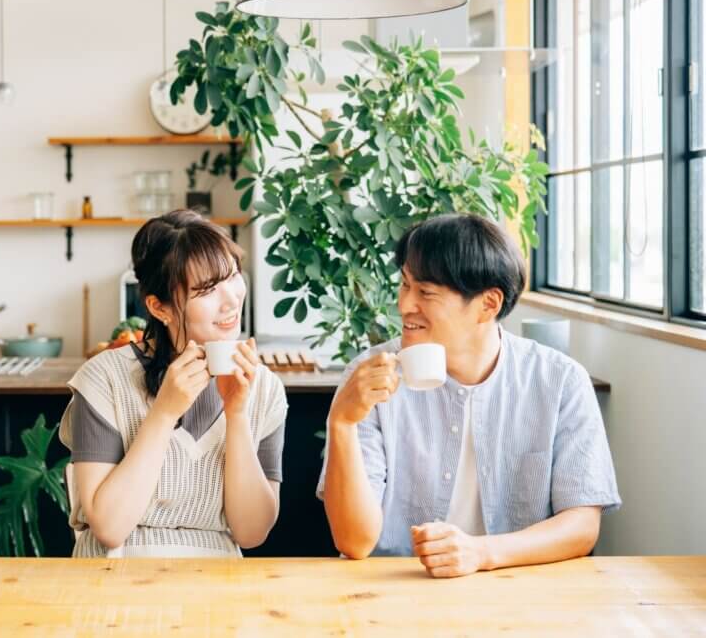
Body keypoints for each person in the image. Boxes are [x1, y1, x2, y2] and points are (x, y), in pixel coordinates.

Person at [318, 213, 621, 577]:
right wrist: (342, 422)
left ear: (488, 304)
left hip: (517, 588)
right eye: (404, 285)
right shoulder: (368, 377)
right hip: (393, 587)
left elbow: (582, 526)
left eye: (425, 292)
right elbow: (354, 541)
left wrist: (481, 553)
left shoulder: (560, 381)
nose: (404, 305)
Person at [60, 209, 288, 557]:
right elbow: (109, 528)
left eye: (232, 276)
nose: (231, 300)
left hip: (215, 580)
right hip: (115, 578)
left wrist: (237, 414)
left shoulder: (265, 388)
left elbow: (251, 532)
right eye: (207, 289)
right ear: (159, 308)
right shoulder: (105, 378)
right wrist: (164, 413)